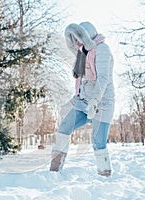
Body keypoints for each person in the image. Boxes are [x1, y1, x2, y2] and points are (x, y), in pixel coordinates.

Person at [50, 21, 115, 177]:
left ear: (87, 35)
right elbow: (84, 83)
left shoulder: (102, 50)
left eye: (78, 38)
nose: (76, 42)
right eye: (73, 39)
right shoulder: (82, 54)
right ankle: (54, 172)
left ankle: (105, 176)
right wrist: (72, 102)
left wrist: (94, 101)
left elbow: (103, 79)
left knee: (98, 143)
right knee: (64, 128)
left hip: (102, 103)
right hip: (83, 103)